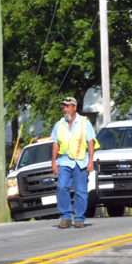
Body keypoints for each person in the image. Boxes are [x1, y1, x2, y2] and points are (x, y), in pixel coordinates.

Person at [50, 96, 96, 229]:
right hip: (64, 161)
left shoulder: (84, 122)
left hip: (80, 162)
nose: (65, 109)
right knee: (62, 188)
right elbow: (55, 143)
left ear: (74, 108)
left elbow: (91, 142)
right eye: (64, 106)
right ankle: (65, 217)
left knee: (81, 191)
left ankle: (79, 218)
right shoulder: (59, 124)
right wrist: (53, 162)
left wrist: (91, 161)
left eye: (68, 106)